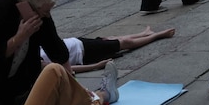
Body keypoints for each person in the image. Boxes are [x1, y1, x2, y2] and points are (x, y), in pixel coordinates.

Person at [41, 27, 177, 73]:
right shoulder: (39, 63)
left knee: (111, 39)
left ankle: (144, 33)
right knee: (123, 43)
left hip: (77, 42)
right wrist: (95, 66)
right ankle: (156, 36)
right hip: (84, 53)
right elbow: (66, 68)